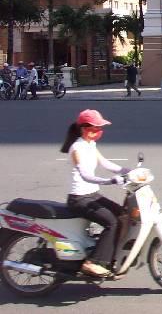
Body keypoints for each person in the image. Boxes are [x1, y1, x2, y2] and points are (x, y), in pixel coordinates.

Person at [60, 109, 129, 278]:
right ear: (84, 128)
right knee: (111, 222)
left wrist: (128, 171)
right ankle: (92, 262)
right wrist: (110, 181)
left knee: (123, 215)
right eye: (95, 128)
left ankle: (110, 253)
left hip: (92, 194)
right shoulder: (77, 148)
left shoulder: (90, 144)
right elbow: (86, 176)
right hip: (79, 198)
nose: (99, 132)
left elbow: (105, 163)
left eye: (100, 128)